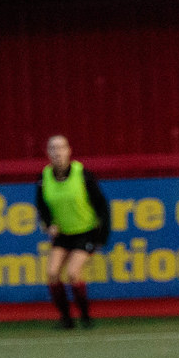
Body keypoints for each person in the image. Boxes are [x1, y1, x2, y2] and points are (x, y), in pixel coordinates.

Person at [35, 135, 110, 329]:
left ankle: (85, 317)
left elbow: (102, 205)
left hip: (85, 232)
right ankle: (66, 319)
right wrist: (49, 223)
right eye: (53, 148)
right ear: (48, 153)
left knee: (73, 273)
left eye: (61, 148)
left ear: (69, 151)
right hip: (63, 234)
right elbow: (41, 206)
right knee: (52, 274)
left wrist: (103, 236)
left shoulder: (82, 174)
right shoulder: (44, 178)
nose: (57, 153)